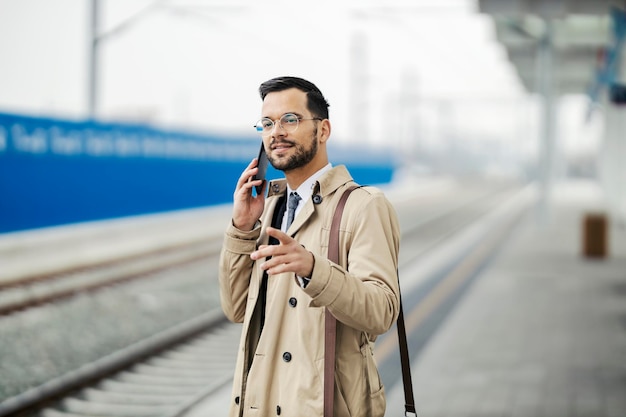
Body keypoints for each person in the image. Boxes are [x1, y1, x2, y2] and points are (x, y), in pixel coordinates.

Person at [219, 76, 401, 417]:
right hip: (261, 401)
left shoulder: (364, 205)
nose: (276, 132)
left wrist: (313, 269)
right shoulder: (270, 208)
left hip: (323, 405)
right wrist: (242, 228)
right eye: (268, 123)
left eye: (290, 119)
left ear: (323, 130)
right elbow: (237, 309)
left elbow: (382, 312)